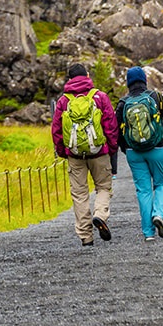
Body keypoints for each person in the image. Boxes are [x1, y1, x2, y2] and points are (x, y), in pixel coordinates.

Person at [51, 63, 118, 246]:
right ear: (87, 75)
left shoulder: (63, 101)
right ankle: (100, 214)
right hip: (99, 152)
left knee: (79, 194)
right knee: (104, 187)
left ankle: (86, 236)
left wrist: (63, 151)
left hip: (74, 154)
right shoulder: (100, 96)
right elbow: (110, 125)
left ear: (69, 79)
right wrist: (111, 148)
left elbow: (56, 129)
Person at [116, 66, 163, 241]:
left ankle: (148, 233)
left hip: (133, 152)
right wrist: (159, 129)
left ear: (128, 83)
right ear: (144, 80)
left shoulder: (123, 103)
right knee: (162, 185)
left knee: (143, 190)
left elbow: (116, 130)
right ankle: (160, 215)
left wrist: (124, 147)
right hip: (158, 148)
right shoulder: (155, 97)